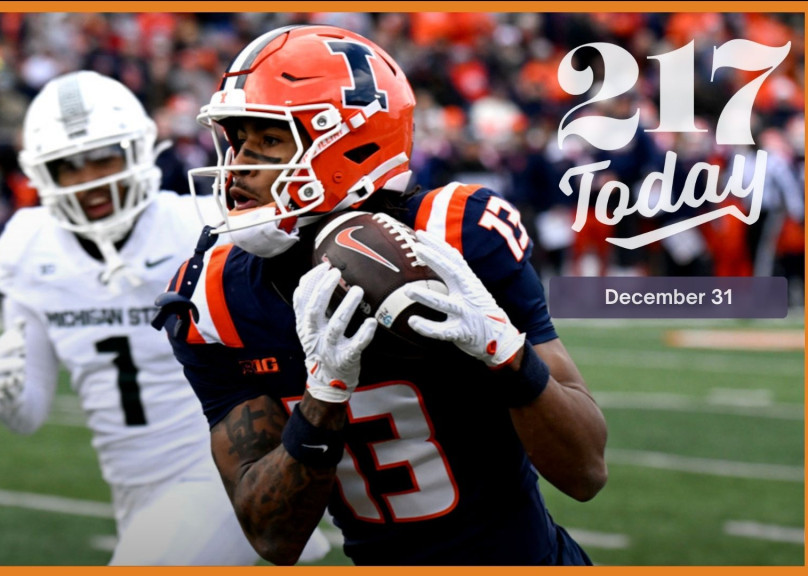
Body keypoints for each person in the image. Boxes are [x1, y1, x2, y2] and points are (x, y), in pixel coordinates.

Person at [154, 25, 608, 566]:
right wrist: (324, 395)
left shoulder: (453, 239)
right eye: (238, 142)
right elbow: (274, 538)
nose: (240, 168)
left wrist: (503, 350)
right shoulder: (214, 297)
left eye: (270, 140)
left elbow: (585, 471)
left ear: (351, 146)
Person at [0, 70, 329, 566]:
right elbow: (27, 415)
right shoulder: (26, 247)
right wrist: (6, 393)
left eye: (104, 156)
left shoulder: (197, 223)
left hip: (220, 465)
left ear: (139, 150)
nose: (91, 178)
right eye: (68, 166)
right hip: (131, 484)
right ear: (40, 175)